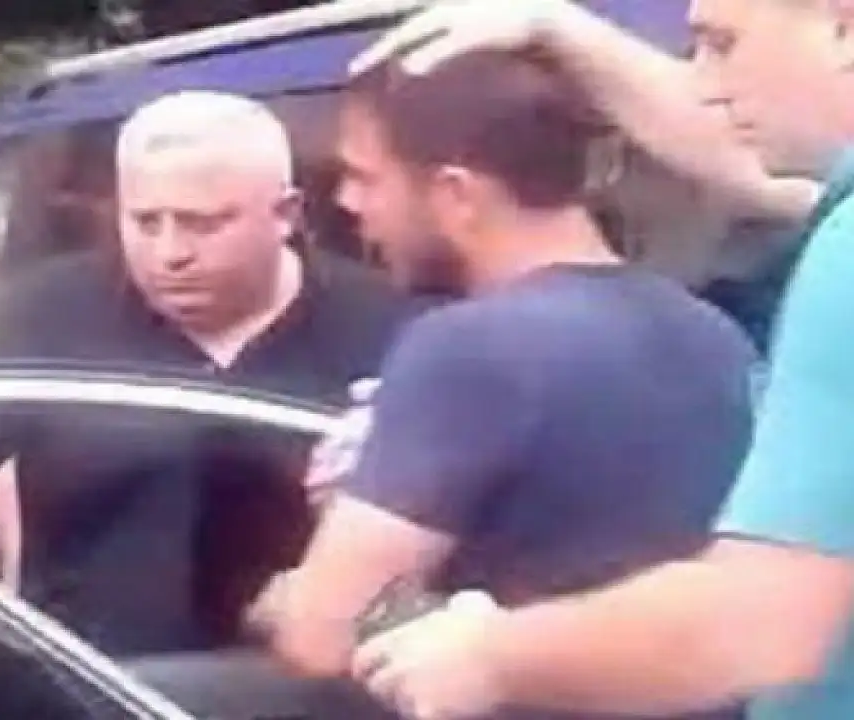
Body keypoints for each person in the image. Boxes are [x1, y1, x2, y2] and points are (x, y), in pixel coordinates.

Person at [334, 2, 854, 719]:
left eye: (722, 44)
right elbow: (745, 160)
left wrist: (489, 656)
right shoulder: (714, 325)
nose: (704, 87)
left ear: (844, 28)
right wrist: (558, 26)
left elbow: (761, 622)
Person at [250, 47, 757, 720]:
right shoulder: (714, 336)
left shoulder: (469, 348)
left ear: (457, 194)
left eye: (366, 178)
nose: (347, 202)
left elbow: (322, 637)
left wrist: (286, 597)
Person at [0, 91, 418, 655]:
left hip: (308, 689)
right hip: (95, 686)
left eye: (202, 223)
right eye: (145, 221)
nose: (170, 252)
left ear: (285, 214)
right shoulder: (43, 313)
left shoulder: (389, 330)